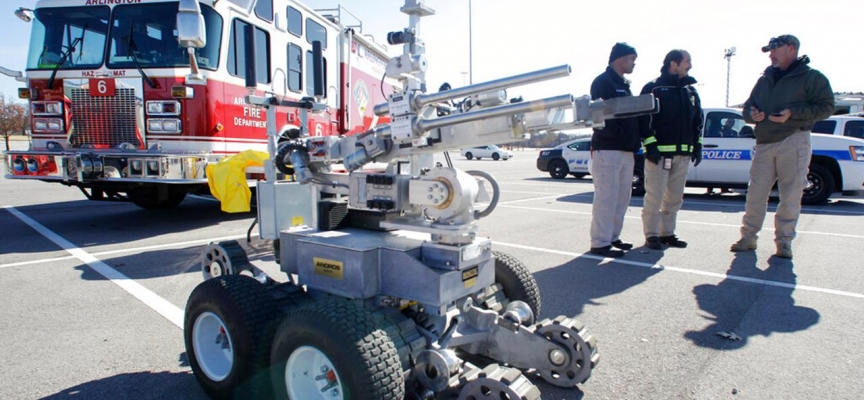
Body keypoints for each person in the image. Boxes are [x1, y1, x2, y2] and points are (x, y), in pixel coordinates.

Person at [730, 35, 834, 259]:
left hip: (794, 140)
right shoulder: (765, 79)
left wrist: (792, 114)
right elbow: (748, 108)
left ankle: (784, 242)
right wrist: (752, 115)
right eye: (770, 50)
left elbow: (826, 107)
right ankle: (748, 237)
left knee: (791, 194)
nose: (771, 55)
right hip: (765, 143)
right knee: (755, 193)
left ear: (791, 49)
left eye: (775, 49)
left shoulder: (812, 78)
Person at [638, 50, 703, 250]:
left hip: (682, 155)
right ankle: (652, 235)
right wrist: (650, 145)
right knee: (654, 197)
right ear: (673, 64)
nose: (690, 65)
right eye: (687, 61)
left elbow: (697, 122)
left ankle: (667, 233)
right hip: (659, 156)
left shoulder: (690, 91)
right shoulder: (653, 88)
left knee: (675, 198)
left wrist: (697, 145)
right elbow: (643, 119)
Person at [587, 42, 640, 258]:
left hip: (626, 149)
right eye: (631, 59)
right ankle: (599, 242)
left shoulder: (625, 85)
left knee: (621, 197)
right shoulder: (603, 82)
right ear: (619, 59)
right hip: (608, 149)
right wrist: (617, 135)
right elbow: (599, 116)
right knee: (606, 197)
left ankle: (612, 237)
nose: (634, 64)